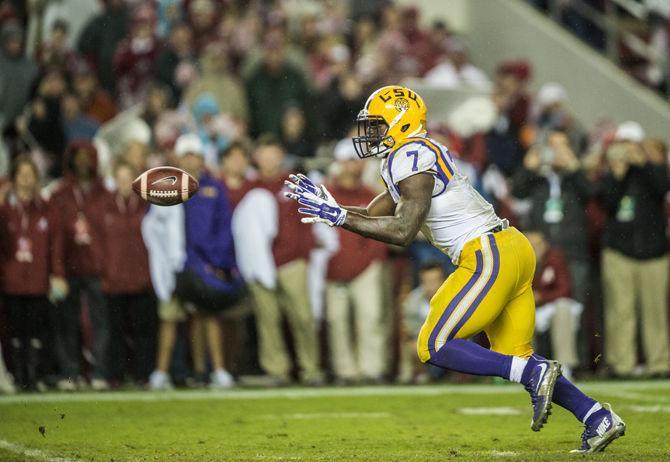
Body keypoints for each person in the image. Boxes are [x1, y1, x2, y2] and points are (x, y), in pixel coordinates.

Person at [285, 85, 625, 453]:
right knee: (517, 358)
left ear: (401, 123)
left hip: (486, 253)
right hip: (508, 249)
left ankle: (538, 376)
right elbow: (374, 214)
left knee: (434, 344)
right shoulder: (411, 155)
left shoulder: (410, 153)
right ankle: (596, 417)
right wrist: (335, 209)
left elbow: (402, 230)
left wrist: (339, 217)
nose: (370, 135)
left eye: (377, 125)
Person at [237, 135, 322, 385]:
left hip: (292, 261)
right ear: (256, 158)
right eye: (263, 155)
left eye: (273, 154)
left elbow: (308, 218)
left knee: (302, 317)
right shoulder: (249, 187)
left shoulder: (294, 184)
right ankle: (277, 370)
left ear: (281, 157)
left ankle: (310, 369)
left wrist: (305, 255)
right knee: (268, 319)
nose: (268, 160)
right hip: (261, 264)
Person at [597, 125, 670, 379]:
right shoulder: (614, 174)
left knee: (655, 313)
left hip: (654, 253)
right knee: (621, 311)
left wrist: (644, 164)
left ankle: (659, 364)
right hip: (620, 252)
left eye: (632, 144)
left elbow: (662, 188)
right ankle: (622, 364)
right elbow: (606, 202)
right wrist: (618, 175)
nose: (627, 149)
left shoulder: (654, 171)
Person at [324, 141, 388, 384]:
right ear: (338, 163)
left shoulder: (371, 195)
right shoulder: (327, 194)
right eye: (349, 160)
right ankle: (345, 372)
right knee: (336, 321)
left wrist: (371, 258)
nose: (353, 166)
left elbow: (381, 229)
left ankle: (372, 369)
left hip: (366, 267)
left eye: (356, 161)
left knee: (370, 317)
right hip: (333, 269)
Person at [49, 140, 111, 391]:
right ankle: (71, 372)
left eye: (88, 156)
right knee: (67, 323)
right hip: (69, 267)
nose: (83, 161)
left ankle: (100, 372)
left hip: (98, 268)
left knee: (101, 323)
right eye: (79, 156)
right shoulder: (60, 194)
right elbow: (55, 236)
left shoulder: (105, 194)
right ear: (71, 159)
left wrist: (108, 266)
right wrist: (57, 271)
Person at [0, 156, 54, 391]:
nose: (26, 180)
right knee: (14, 333)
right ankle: (18, 375)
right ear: (13, 179)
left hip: (37, 279)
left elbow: (54, 244)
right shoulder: (5, 211)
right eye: (21, 175)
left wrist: (55, 274)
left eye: (30, 175)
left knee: (35, 332)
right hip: (12, 280)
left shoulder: (45, 208)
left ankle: (32, 377)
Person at [102, 161, 156, 384]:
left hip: (142, 279)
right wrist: (106, 270)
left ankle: (142, 375)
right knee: (115, 333)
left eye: (128, 178)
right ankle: (116, 375)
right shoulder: (105, 206)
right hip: (114, 280)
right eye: (120, 178)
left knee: (143, 333)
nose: (124, 183)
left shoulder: (148, 205)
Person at [526, 229, 581, 381]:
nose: (534, 248)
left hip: (549, 306)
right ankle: (524, 367)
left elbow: (565, 289)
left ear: (545, 245)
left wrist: (541, 297)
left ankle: (565, 366)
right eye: (530, 245)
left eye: (537, 244)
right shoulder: (518, 260)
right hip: (526, 307)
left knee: (563, 308)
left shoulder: (554, 258)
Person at [398, 261, 445, 384]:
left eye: (435, 281)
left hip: (450, 342)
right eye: (427, 281)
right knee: (411, 345)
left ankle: (462, 374)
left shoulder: (455, 297)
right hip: (427, 344)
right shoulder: (412, 301)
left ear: (443, 280)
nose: (431, 286)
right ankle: (415, 374)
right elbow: (411, 330)